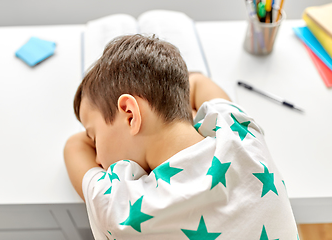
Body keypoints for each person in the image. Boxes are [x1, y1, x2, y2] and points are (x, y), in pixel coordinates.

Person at [64, 34, 298, 240]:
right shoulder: (240, 132)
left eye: (94, 137)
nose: (97, 159)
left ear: (130, 115)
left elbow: (74, 146)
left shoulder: (121, 209)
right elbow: (196, 82)